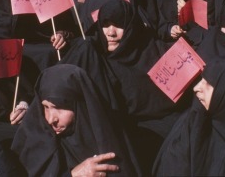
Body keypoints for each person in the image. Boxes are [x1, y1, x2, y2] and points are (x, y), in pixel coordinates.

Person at [11, 64, 142, 176]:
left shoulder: (105, 140)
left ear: (80, 106)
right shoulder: (32, 141)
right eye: (45, 107)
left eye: (60, 108)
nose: (51, 119)